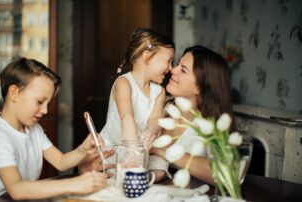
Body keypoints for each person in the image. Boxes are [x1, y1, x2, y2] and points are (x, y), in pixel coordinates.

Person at [0, 58, 108, 201]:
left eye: (48, 103)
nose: (45, 110)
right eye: (40, 102)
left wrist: (83, 149)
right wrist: (74, 184)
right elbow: (16, 189)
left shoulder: (34, 129)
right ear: (14, 93)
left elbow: (60, 162)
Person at [151, 45, 235, 185]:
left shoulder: (209, 127)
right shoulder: (156, 104)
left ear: (199, 86)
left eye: (183, 70)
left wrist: (162, 151)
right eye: (177, 64)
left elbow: (225, 173)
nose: (172, 69)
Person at [99, 28, 175, 180]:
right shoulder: (124, 83)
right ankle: (135, 175)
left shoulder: (159, 91)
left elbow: (155, 120)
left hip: (142, 149)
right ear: (147, 57)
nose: (171, 68)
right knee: (119, 165)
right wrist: (132, 153)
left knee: (161, 164)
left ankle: (145, 177)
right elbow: (127, 117)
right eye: (168, 61)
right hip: (116, 147)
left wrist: (151, 131)